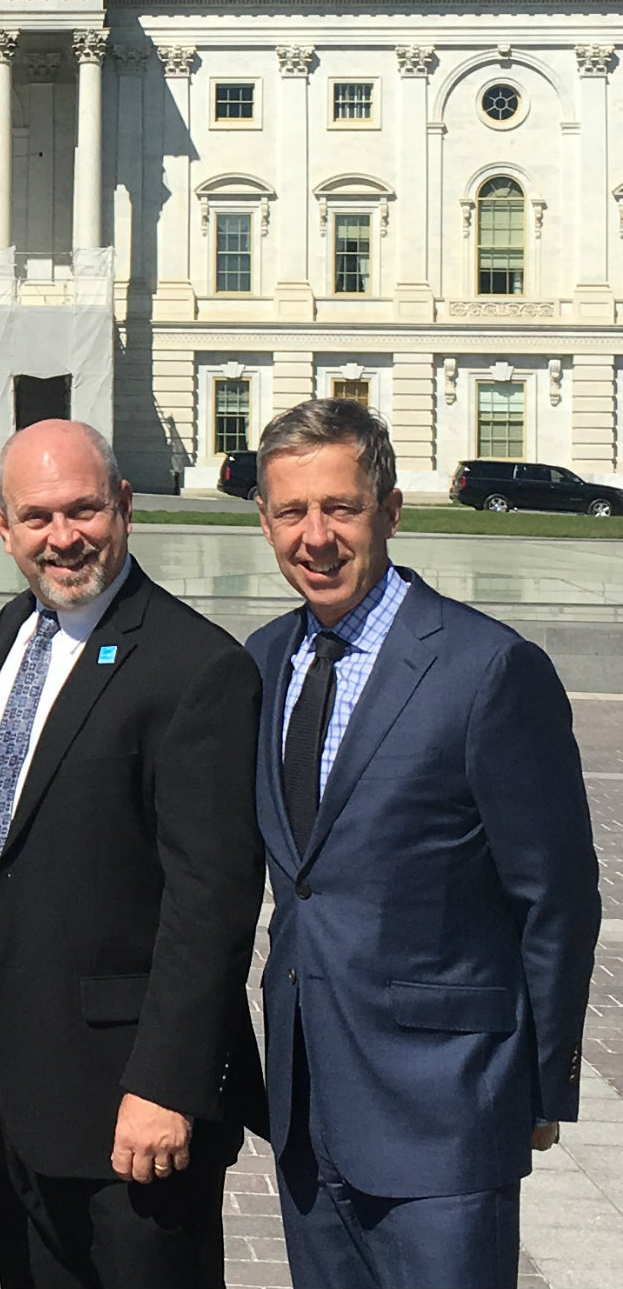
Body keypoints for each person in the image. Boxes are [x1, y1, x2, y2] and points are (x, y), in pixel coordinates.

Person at [245, 400, 600, 1289]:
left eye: (341, 508)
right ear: (264, 521)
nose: (315, 537)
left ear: (391, 511)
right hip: (308, 1105)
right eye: (292, 513)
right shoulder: (260, 664)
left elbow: (556, 895)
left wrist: (541, 1088)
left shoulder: (486, 669)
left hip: (447, 1116)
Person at [0, 419, 265, 1289]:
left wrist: (169, 1086)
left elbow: (211, 902)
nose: (65, 538)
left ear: (124, 507)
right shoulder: (19, 632)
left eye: (85, 509)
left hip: (131, 1103)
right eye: (39, 516)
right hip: (18, 1084)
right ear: (3, 526)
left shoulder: (193, 666)